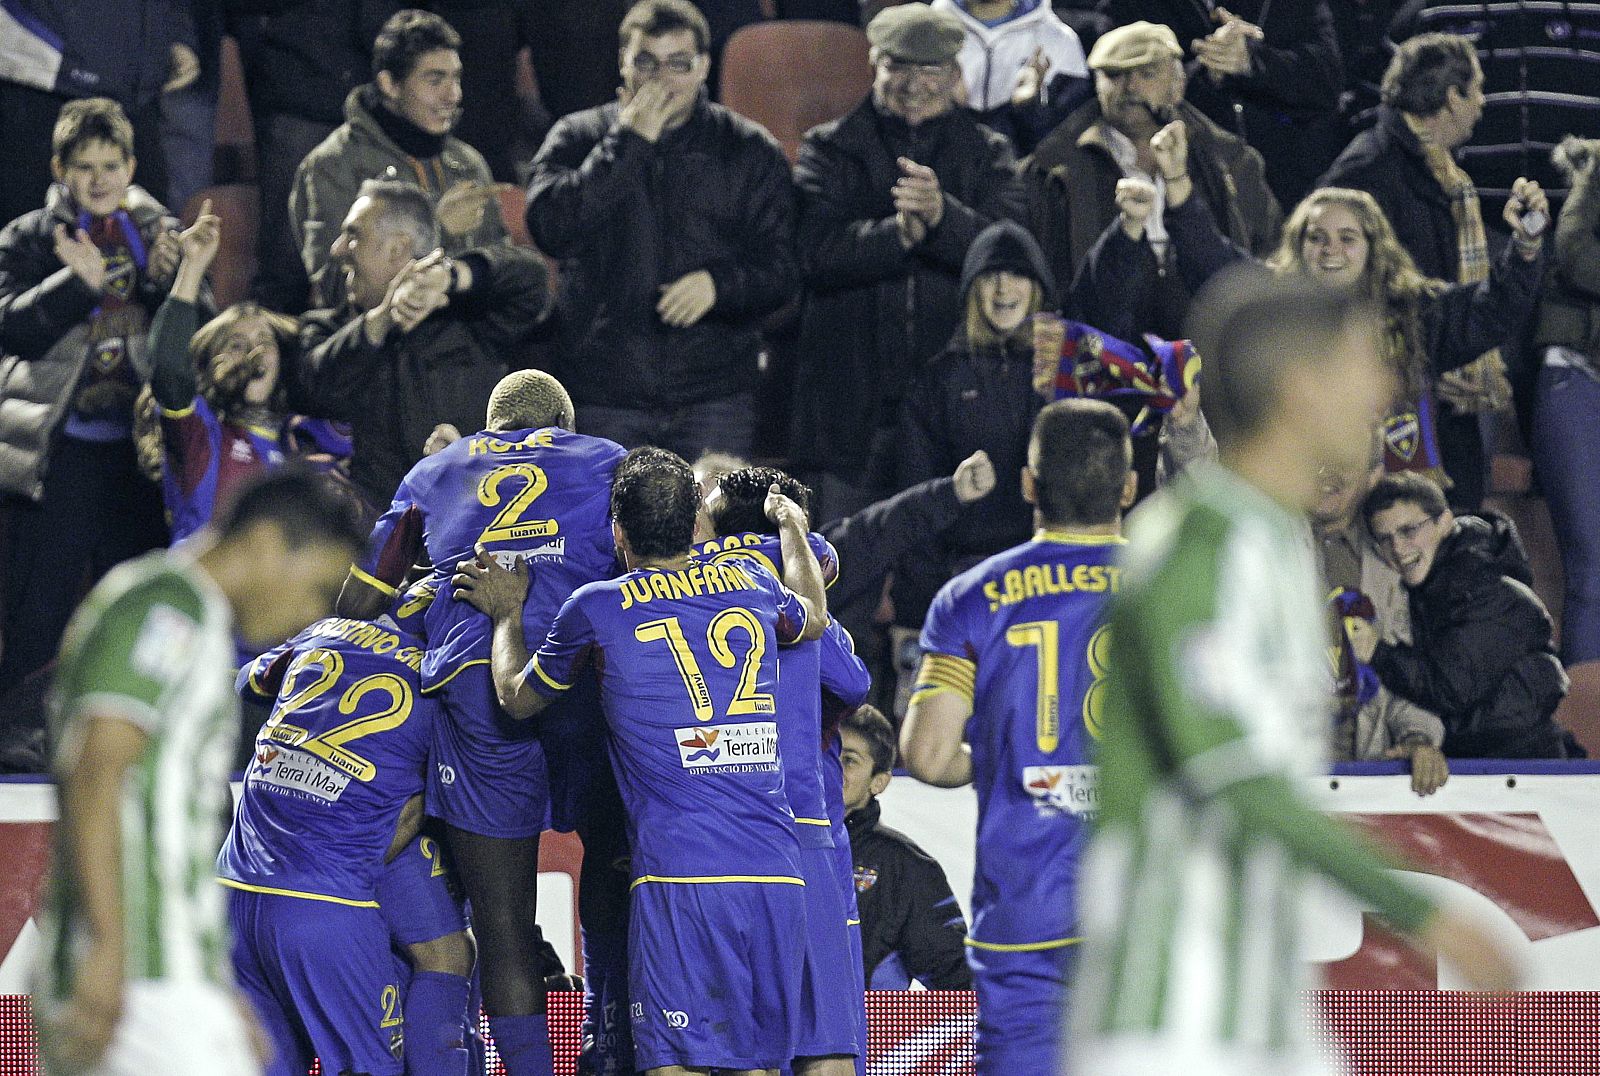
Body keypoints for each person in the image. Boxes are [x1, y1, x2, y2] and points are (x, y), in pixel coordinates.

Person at [1067, 270, 1518, 1075]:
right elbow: (1230, 772)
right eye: (1362, 364)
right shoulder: (1201, 543)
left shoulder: (1271, 541)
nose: (1385, 388)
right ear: (1301, 388)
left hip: (1258, 1009)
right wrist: (1424, 909)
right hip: (1171, 1016)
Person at [453, 447, 830, 1076]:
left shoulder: (597, 607)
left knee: (673, 1067)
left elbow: (516, 697)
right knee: (757, 1067)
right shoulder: (754, 583)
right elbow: (813, 617)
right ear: (693, 528)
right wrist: (791, 525)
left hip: (680, 877)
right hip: (776, 872)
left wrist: (506, 614)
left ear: (617, 532)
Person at [30, 468, 367, 1076]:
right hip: (140, 976)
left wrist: (214, 988)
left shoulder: (194, 616)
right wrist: (108, 945)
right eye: (316, 588)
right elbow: (97, 769)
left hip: (166, 974)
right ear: (266, 543)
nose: (311, 617)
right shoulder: (169, 609)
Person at [336, 369, 625, 1076]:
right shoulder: (606, 456)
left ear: (489, 427)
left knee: (502, 927)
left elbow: (360, 595)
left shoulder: (437, 467)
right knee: (619, 872)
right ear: (566, 422)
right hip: (588, 678)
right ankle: (611, 1040)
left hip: (475, 692)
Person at [1116, 122, 1547, 504]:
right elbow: (1208, 259)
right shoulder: (1273, 306)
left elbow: (1493, 309)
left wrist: (1526, 242)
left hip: (1390, 513)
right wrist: (1174, 178)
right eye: (1317, 238)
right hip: (1295, 502)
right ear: (1298, 245)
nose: (1331, 252)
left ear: (1373, 247)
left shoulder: (1413, 310)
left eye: (1347, 238)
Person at [900, 398, 1136, 1075]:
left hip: (1023, 914)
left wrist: (1006, 758)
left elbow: (929, 755)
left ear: (1030, 485)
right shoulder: (1171, 584)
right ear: (1128, 488)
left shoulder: (970, 597)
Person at [524, 0, 798, 463]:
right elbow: (552, 227)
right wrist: (627, 143)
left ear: (703, 68)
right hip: (605, 390)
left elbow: (784, 267)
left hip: (715, 393)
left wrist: (718, 285)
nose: (660, 80)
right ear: (623, 64)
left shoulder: (748, 149)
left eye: (678, 65)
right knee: (609, 534)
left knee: (717, 534)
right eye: (645, 62)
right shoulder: (579, 136)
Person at [791, 2, 1026, 520]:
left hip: (956, 407)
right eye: (898, 66)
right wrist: (895, 235)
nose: (913, 83)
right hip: (850, 410)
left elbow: (1014, 253)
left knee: (942, 571)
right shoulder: (828, 150)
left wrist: (944, 219)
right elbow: (812, 253)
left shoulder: (989, 153)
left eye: (930, 69)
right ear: (875, 63)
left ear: (954, 73)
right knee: (839, 575)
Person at [0, 97, 185, 699]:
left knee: (132, 601)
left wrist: (170, 279)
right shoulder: (29, 237)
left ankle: (127, 721)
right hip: (61, 450)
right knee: (41, 602)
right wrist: (72, 286)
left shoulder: (161, 233)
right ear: (60, 169)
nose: (98, 179)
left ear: (132, 168)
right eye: (84, 166)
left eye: (111, 165)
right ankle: (19, 724)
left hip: (139, 455)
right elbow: (11, 327)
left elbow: (200, 340)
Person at [221, 614, 452, 1076]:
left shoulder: (324, 630)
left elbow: (249, 681)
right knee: (445, 958)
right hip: (327, 905)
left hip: (232, 891)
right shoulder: (449, 676)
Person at [699, 465, 873, 1074]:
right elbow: (853, 682)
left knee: (744, 1046)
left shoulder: (672, 586)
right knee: (825, 1042)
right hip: (803, 825)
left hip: (709, 832)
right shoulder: (801, 592)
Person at [1318, 34, 1519, 512]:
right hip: (1397, 409)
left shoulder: (1442, 173)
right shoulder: (1367, 172)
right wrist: (1419, 367)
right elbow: (1339, 293)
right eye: (1478, 90)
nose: (1483, 103)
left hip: (1452, 395)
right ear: (1452, 98)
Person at [296, 178, 549, 511]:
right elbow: (312, 387)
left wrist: (453, 275)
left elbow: (531, 278)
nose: (338, 248)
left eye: (353, 235)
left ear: (398, 248)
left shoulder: (467, 319)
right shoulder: (327, 328)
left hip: (469, 523)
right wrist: (383, 318)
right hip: (374, 534)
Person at [1022, 20, 1280, 336]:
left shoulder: (1229, 158)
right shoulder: (1053, 168)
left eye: (1147, 74)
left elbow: (1269, 248)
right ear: (1096, 83)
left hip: (1210, 341)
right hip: (1100, 342)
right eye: (1115, 75)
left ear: (1178, 83)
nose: (1130, 88)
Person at [137, 200, 337, 543]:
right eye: (236, 344)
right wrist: (192, 266)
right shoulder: (202, 435)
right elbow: (169, 368)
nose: (252, 352)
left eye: (263, 341)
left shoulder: (307, 442)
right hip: (206, 592)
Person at [894, 220, 1049, 662]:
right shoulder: (938, 380)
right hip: (962, 582)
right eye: (990, 276)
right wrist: (914, 606)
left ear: (1037, 287)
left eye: (1017, 274)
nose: (1004, 288)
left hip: (1041, 577)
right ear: (971, 290)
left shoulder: (1059, 375)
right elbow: (916, 495)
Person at [1353, 472, 1579, 760]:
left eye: (1409, 530)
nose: (1397, 547)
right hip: (1477, 762)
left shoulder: (1480, 583)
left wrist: (1377, 652)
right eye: (1385, 539)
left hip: (1525, 762)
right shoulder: (1427, 585)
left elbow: (1451, 688)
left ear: (1444, 523)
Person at [292, 8, 508, 308]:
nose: (454, 95)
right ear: (389, 84)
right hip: (383, 345)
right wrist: (438, 229)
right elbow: (336, 291)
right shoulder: (332, 165)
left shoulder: (467, 162)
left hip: (465, 337)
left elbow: (503, 271)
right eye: (435, 80)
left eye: (456, 78)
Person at [1098, 0, 1344, 208]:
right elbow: (1121, 93)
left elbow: (1327, 83)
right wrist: (1207, 68)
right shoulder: (1131, 5)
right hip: (1181, 174)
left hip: (1284, 182)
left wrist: (1252, 60)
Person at [1311, 444, 1448, 794]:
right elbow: (1195, 491)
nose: (1332, 475)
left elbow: (1404, 677)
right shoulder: (1263, 536)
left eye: (1346, 462)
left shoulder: (1394, 560)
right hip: (1277, 775)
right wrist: (1186, 427)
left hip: (1364, 780)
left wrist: (1418, 738)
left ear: (1372, 477)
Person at [840, 704, 971, 991]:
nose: (832, 768)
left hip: (868, 1034)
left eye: (849, 760)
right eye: (827, 755)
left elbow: (958, 983)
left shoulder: (904, 866)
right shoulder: (775, 847)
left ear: (879, 782)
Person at [1530, 136, 1600, 673]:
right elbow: (1575, 258)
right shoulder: (1595, 175)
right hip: (1575, 378)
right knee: (1592, 565)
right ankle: (1586, 735)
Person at [927, 0, 1091, 153]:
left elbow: (1065, 140)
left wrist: (1028, 107)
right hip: (938, 166)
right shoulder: (927, 30)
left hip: (1021, 176)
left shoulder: (1059, 40)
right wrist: (947, 106)